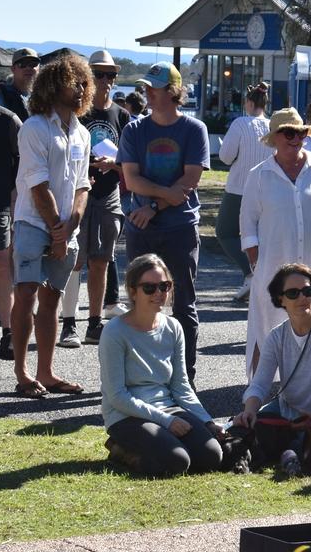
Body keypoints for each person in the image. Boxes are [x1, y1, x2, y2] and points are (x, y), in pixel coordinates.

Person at [117, 62, 211, 384]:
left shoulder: (194, 130)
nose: (147, 93)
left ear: (172, 92)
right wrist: (162, 198)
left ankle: (185, 378)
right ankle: (143, 376)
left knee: (183, 304)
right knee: (141, 305)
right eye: (145, 87)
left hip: (179, 229)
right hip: (140, 229)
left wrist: (154, 206)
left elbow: (190, 181)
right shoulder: (133, 130)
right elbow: (131, 180)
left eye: (153, 88)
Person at [9, 54, 94, 399]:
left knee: (52, 300)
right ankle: (22, 373)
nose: (80, 88)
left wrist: (70, 225)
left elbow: (82, 186)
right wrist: (56, 230)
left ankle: (47, 371)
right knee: (27, 293)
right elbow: (36, 184)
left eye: (83, 83)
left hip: (65, 228)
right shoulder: (34, 128)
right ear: (53, 84)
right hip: (33, 222)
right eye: (74, 81)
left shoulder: (82, 134)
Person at [240, 108, 311, 378]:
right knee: (267, 319)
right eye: (288, 133)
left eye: (300, 132)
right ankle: (259, 386)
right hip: (273, 261)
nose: (295, 138)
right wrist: (255, 260)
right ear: (275, 137)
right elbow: (247, 223)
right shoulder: (259, 174)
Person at [99, 254, 223, 476]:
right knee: (176, 461)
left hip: (168, 409)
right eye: (149, 288)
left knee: (212, 456)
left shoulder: (173, 327)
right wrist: (166, 421)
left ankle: (161, 444)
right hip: (126, 415)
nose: (159, 293)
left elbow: (181, 385)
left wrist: (207, 422)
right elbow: (116, 396)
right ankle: (119, 450)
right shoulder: (114, 332)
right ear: (133, 291)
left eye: (164, 286)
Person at [233, 263, 311, 467]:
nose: (302, 298)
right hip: (287, 412)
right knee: (244, 426)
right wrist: (249, 411)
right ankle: (281, 452)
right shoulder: (276, 336)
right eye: (293, 293)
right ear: (281, 299)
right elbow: (260, 384)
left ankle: (290, 453)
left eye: (308, 290)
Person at [58, 50, 131, 348]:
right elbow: (65, 154)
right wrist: (85, 171)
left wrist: (111, 165)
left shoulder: (122, 116)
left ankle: (94, 323)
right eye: (99, 74)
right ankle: (68, 324)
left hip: (109, 194)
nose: (105, 80)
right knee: (74, 260)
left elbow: (130, 160)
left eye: (110, 75)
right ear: (88, 77)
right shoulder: (79, 114)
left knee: (101, 261)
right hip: (80, 193)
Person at [218, 83, 271, 302]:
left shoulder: (240, 123)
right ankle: (259, 276)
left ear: (248, 103)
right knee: (259, 237)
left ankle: (250, 272)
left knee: (226, 232)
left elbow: (225, 156)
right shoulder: (272, 125)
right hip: (265, 190)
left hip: (239, 188)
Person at [0, 72, 21, 361]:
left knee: (0, 264)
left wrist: (16, 196)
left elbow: (24, 161)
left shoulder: (9, 120)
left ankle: (9, 332)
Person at [0, 47, 36, 120]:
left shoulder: (44, 96)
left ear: (38, 68)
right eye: (22, 64)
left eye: (33, 64)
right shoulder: (1, 94)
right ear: (13, 69)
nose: (28, 68)